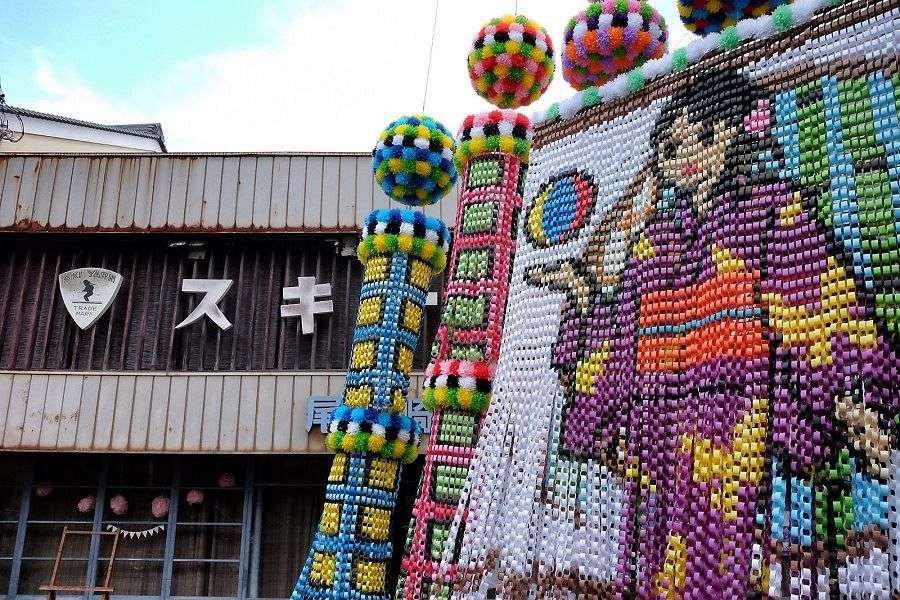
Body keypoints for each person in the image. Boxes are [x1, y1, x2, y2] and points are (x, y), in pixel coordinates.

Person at [525, 68, 899, 597]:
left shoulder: (769, 210)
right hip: (662, 415)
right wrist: (586, 299)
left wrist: (848, 400)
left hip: (735, 412)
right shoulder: (656, 241)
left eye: (697, 139)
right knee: (654, 543)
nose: (684, 158)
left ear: (732, 133)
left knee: (721, 541)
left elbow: (809, 298)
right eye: (672, 148)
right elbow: (621, 331)